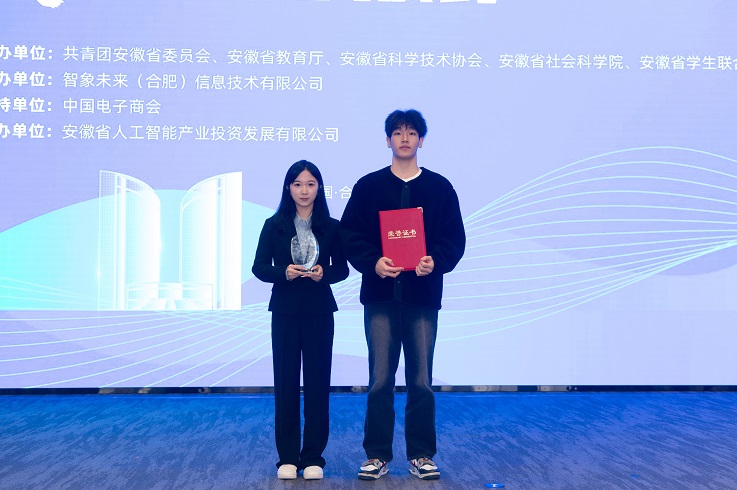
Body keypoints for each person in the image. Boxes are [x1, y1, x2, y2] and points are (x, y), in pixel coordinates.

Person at [340, 109, 466, 481]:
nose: (405, 138)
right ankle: (377, 455)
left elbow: (454, 238)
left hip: (422, 297)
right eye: (398, 132)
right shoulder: (369, 186)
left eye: (412, 132)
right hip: (380, 297)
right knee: (380, 379)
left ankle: (421, 454)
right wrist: (373, 263)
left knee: (421, 380)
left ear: (421, 140)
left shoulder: (440, 188)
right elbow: (351, 235)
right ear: (388, 140)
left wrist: (435, 261)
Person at [252, 159, 349, 480]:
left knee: (318, 384)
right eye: (297, 184)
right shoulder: (273, 224)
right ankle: (288, 458)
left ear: (319, 188)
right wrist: (284, 272)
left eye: (310, 184)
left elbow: (342, 269)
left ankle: (313, 458)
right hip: (285, 310)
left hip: (320, 311)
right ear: (288, 188)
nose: (304, 190)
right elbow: (258, 267)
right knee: (286, 384)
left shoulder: (331, 226)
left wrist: (324, 273)